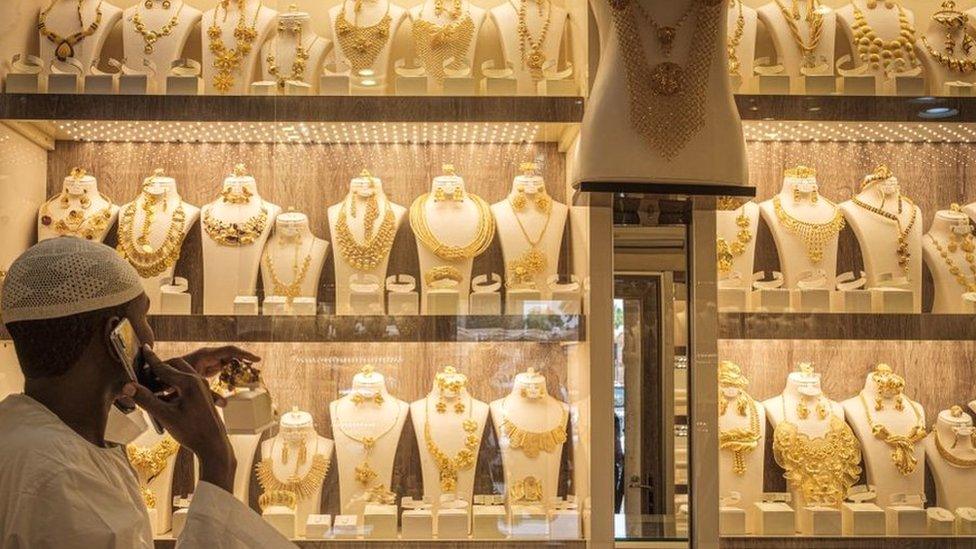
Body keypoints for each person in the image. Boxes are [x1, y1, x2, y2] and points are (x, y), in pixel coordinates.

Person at [0, 237, 295, 548]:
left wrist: (134, 384)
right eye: (144, 318)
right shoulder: (64, 482)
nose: (149, 334)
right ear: (116, 336)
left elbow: (78, 436)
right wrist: (217, 460)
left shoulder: (20, 430)